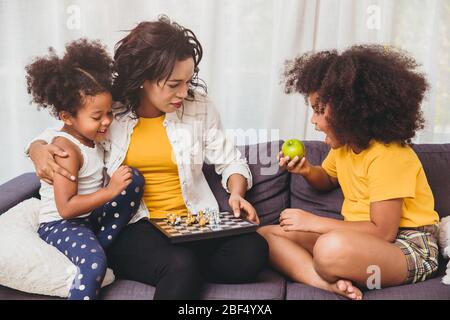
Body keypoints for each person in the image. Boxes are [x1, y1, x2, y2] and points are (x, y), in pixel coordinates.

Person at [27, 16, 268, 299]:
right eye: (173, 84)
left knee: (253, 252)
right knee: (180, 265)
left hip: (192, 222)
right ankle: (176, 267)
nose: (183, 92)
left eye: (188, 81)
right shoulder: (110, 109)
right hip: (136, 225)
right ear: (143, 79)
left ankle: (174, 267)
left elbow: (231, 160)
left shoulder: (198, 107)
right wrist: (37, 148)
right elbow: (67, 129)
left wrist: (237, 193)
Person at [258, 45, 440, 300]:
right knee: (266, 235)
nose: (313, 121)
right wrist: (308, 171)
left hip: (408, 245)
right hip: (356, 240)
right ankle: (325, 284)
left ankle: (332, 265)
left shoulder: (389, 155)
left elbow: (383, 232)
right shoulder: (345, 147)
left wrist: (314, 223)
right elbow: (328, 179)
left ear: (350, 111)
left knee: (330, 248)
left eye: (319, 111)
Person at [25, 39, 144, 300]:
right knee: (94, 265)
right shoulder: (66, 150)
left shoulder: (90, 138)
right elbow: (66, 208)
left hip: (87, 219)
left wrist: (116, 189)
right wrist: (110, 191)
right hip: (62, 224)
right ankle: (94, 257)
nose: (106, 122)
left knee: (133, 179)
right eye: (96, 116)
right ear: (67, 117)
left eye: (109, 113)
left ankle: (98, 245)